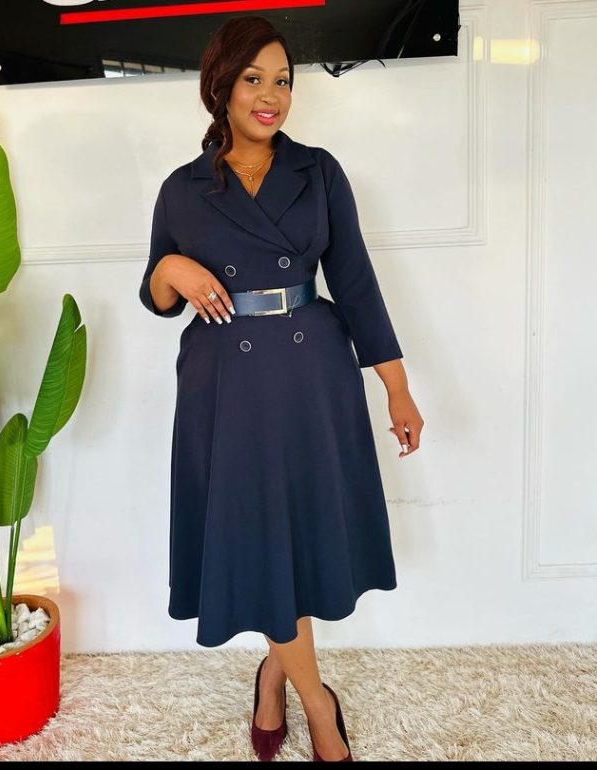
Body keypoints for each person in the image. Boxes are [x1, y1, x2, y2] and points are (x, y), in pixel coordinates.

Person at [139, 14, 424, 763]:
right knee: (260, 537)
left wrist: (396, 387)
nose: (271, 96)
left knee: (295, 536)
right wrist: (170, 269)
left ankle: (276, 677)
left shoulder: (318, 171)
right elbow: (157, 296)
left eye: (283, 81)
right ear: (221, 87)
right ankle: (316, 703)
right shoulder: (182, 188)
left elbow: (355, 283)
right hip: (225, 384)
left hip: (309, 375)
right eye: (253, 79)